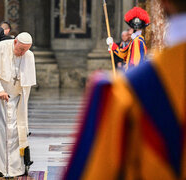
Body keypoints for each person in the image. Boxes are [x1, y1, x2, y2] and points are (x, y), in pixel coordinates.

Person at [64, 0, 186, 179]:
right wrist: (113, 46)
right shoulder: (137, 42)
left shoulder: (125, 93)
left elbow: (135, 61)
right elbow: (124, 53)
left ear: (164, 4)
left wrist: (130, 78)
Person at [0, 32, 36, 177]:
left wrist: (21, 104)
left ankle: (15, 168)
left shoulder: (28, 56)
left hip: (14, 98)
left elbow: (26, 84)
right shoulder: (0, 48)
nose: (22, 53)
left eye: (26, 50)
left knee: (15, 131)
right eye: (20, 49)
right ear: (15, 42)